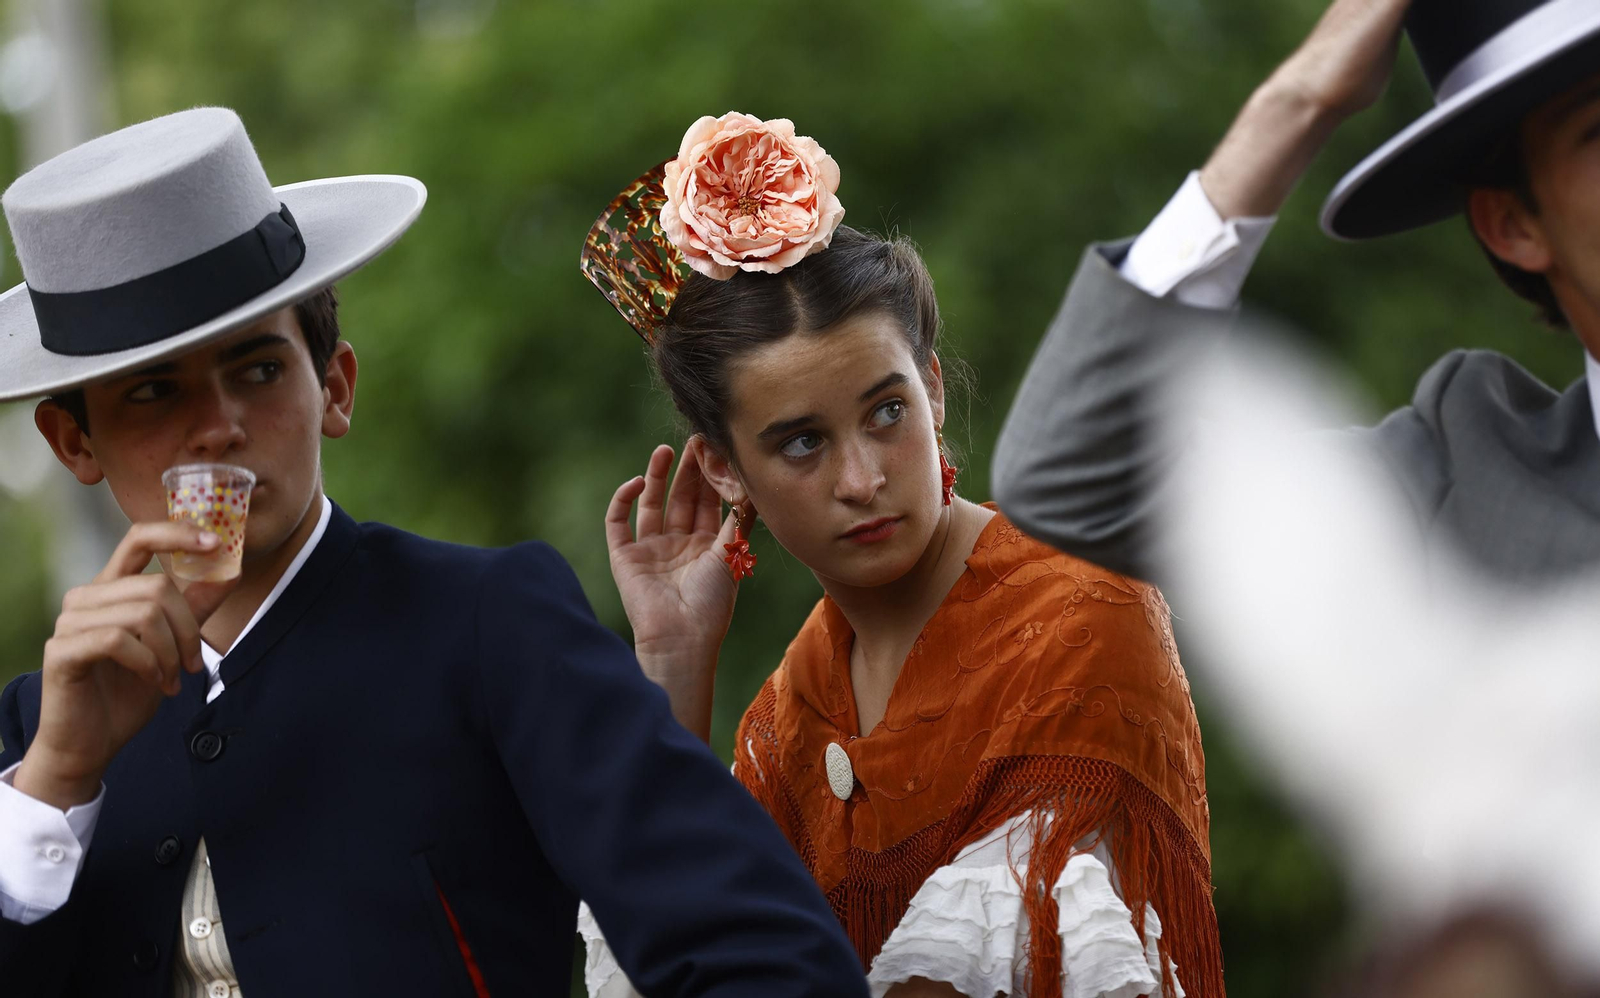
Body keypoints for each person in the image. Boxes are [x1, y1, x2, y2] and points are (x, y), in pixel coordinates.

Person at [0, 106, 869, 997]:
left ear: (334, 389)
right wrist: (56, 782)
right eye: (153, 392)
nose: (217, 428)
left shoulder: (485, 627)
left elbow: (765, 951)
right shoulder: (39, 732)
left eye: (258, 370)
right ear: (75, 444)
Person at [575, 112, 1223, 998]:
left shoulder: (1079, 616)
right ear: (725, 471)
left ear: (933, 390)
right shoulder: (788, 718)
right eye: (802, 443)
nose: (862, 478)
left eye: (886, 412)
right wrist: (673, 661)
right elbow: (678, 962)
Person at [991, 0, 1600, 584]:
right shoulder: (1461, 492)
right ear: (1513, 225)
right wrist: (1295, 100)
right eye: (1595, 129)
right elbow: (1074, 473)